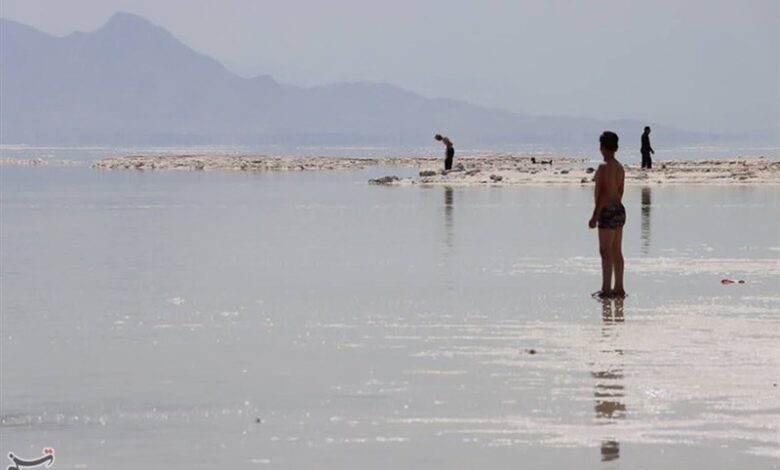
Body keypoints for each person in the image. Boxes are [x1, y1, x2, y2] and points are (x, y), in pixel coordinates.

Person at [589, 131, 626, 298]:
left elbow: (602, 194)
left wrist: (594, 216)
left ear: (602, 147)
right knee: (616, 250)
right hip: (618, 208)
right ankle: (619, 287)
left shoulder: (603, 167)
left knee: (605, 251)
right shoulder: (620, 167)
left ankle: (606, 288)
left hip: (607, 210)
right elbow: (620, 191)